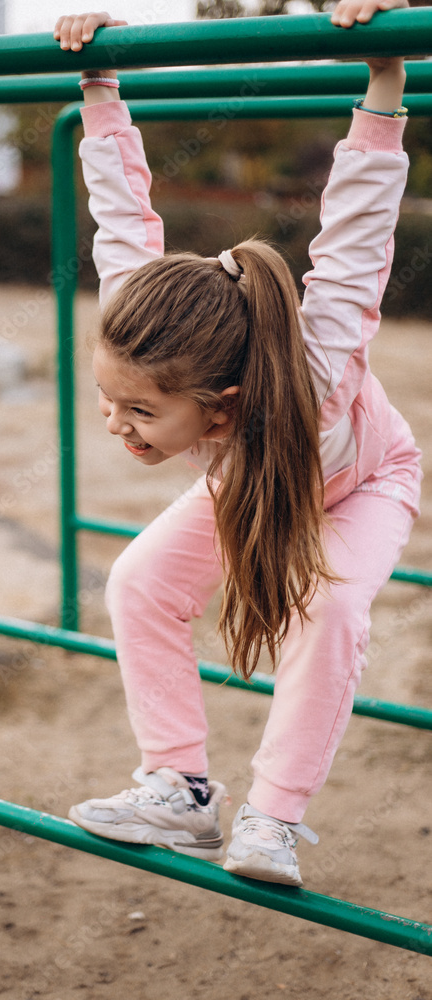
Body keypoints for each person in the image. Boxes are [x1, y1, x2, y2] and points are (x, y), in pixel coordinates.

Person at [54, 0, 422, 887]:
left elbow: (357, 232)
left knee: (328, 608)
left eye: (139, 414)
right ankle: (179, 789)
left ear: (219, 410)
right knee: (138, 580)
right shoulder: (149, 315)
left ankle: (274, 819)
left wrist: (385, 76)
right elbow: (120, 214)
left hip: (365, 482)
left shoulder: (319, 360)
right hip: (256, 481)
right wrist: (98, 83)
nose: (117, 425)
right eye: (109, 402)